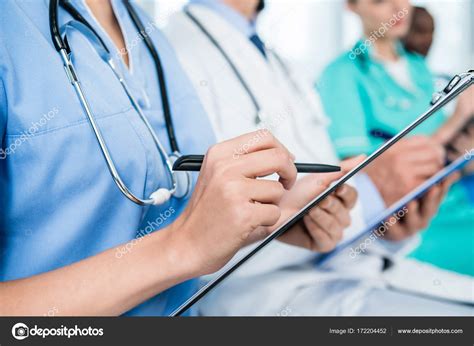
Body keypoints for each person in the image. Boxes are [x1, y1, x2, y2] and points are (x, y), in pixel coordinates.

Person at [0, 0, 358, 316]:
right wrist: (179, 248)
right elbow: (181, 242)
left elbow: (178, 212)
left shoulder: (145, 31)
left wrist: (272, 212)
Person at [164, 0, 470, 316]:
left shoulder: (273, 57)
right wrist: (372, 192)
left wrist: (385, 231)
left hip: (355, 265)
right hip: (271, 295)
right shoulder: (179, 53)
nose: (397, 9)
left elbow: (329, 188)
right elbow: (205, 232)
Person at [318, 0, 474, 275]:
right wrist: (457, 118)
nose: (398, 8)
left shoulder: (418, 67)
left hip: (457, 198)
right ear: (351, 6)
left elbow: (443, 153)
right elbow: (370, 177)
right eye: (380, 0)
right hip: (414, 224)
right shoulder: (341, 75)